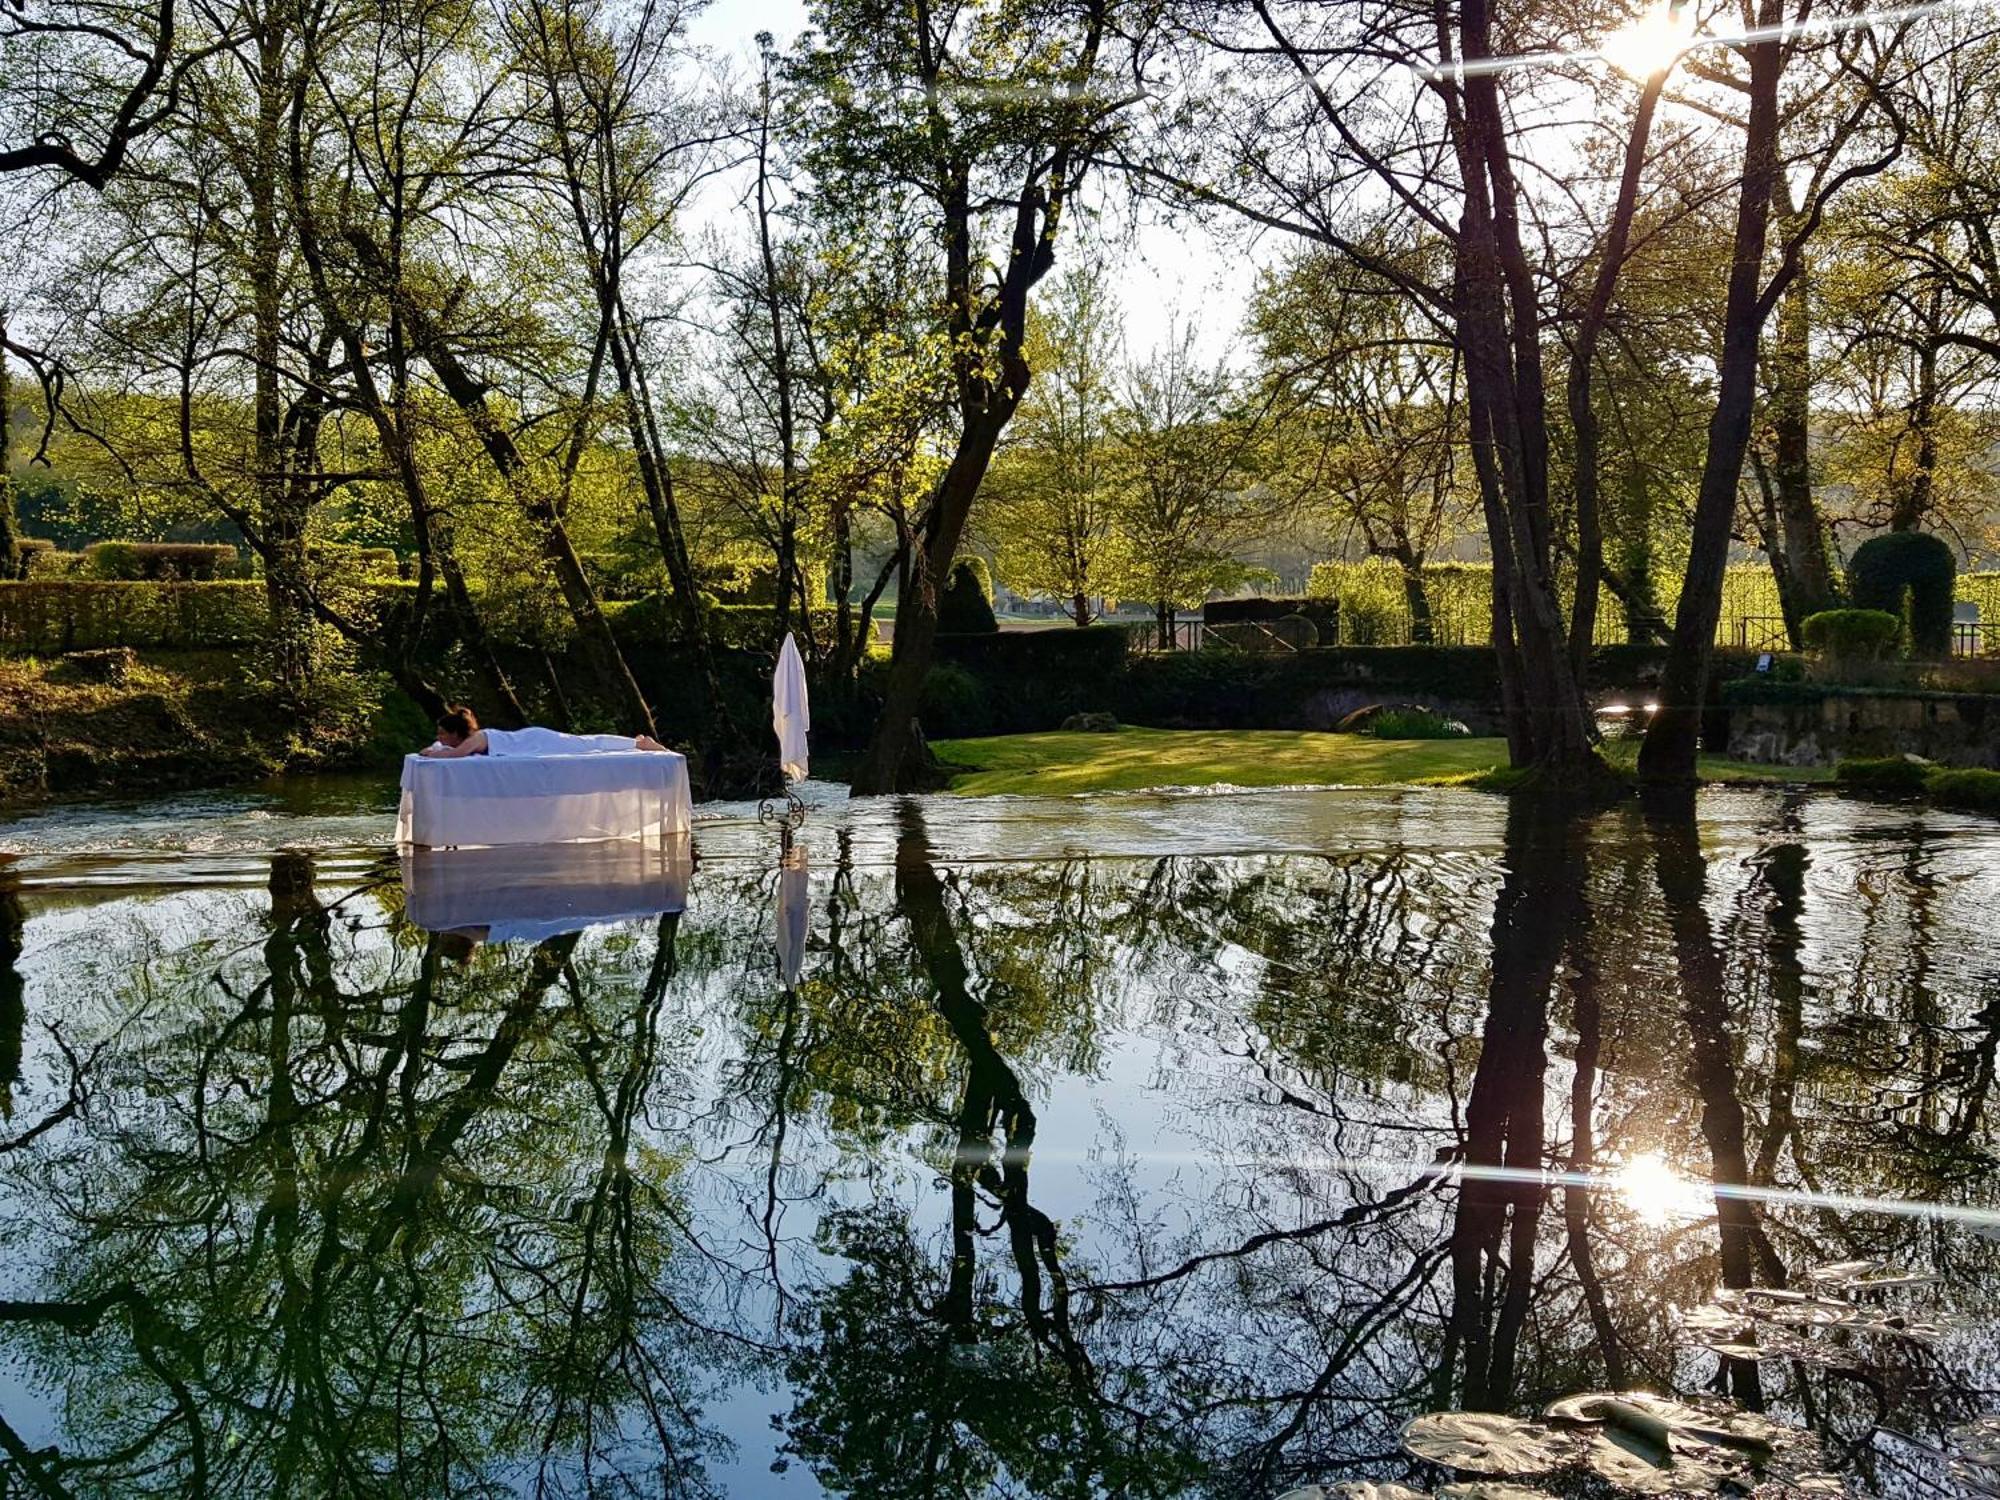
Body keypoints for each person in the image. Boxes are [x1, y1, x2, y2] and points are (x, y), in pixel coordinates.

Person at [419, 706, 670, 758]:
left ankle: (639, 744)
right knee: (583, 743)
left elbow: (454, 756)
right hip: (532, 742)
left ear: (455, 732)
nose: (439, 738)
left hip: (537, 741)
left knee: (584, 745)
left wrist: (431, 752)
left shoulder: (474, 740)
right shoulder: (466, 741)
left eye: (442, 734)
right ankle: (632, 743)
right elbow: (447, 749)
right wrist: (436, 748)